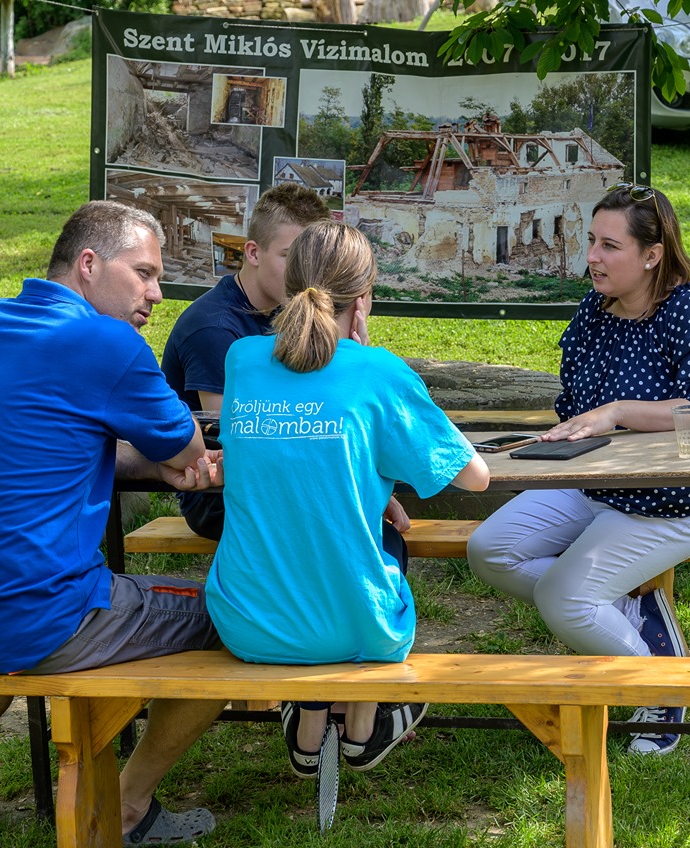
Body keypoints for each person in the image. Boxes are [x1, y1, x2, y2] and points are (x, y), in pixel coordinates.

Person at [0, 201, 227, 846]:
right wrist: (172, 462)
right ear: (89, 263)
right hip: (42, 618)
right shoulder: (107, 342)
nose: (156, 295)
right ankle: (130, 806)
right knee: (243, 614)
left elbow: (51, 436)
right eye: (145, 274)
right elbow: (188, 449)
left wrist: (152, 465)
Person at [204, 220, 491, 778]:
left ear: (290, 285)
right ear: (363, 299)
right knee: (385, 540)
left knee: (318, 545)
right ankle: (363, 725)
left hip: (247, 620)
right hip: (361, 627)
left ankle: (311, 729)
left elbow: (287, 460)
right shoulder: (378, 370)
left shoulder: (241, 359)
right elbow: (475, 476)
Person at [466, 183, 690, 755]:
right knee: (488, 550)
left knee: (565, 599)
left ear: (652, 254)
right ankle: (631, 616)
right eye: (591, 241)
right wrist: (574, 429)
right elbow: (576, 406)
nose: (591, 256)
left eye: (609, 245)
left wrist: (617, 413)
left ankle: (659, 687)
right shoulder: (596, 310)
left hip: (680, 499)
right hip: (597, 483)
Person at [160, 182, 332, 541]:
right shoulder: (213, 329)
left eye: (313, 261)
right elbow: (233, 441)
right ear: (252, 253)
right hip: (216, 495)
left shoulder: (290, 309)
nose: (306, 274)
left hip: (274, 473)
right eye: (291, 257)